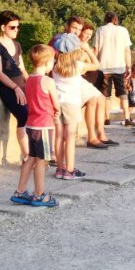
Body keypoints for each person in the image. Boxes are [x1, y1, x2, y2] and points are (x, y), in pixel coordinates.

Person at [10, 45, 59, 207]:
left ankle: (20, 191)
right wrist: (57, 111)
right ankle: (39, 194)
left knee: (30, 158)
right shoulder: (48, 81)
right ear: (47, 62)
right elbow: (56, 103)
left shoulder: (29, 79)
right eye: (52, 60)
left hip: (31, 124)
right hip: (44, 125)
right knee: (41, 161)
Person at [51, 33, 94, 179]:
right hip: (71, 104)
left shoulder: (54, 64)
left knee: (58, 137)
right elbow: (97, 65)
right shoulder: (78, 65)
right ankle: (69, 170)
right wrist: (87, 50)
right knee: (69, 137)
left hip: (56, 103)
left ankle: (60, 168)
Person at [0, 10, 29, 158]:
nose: (16, 30)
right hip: (6, 86)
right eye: (12, 27)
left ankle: (35, 155)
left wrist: (33, 84)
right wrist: (16, 88)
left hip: (20, 84)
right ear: (3, 27)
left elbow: (22, 69)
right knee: (24, 115)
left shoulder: (16, 45)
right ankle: (27, 156)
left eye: (18, 27)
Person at [78, 22, 115, 148]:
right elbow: (92, 64)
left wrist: (87, 50)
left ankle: (101, 134)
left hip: (88, 77)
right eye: (86, 33)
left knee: (101, 98)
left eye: (90, 35)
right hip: (80, 78)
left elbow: (92, 63)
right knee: (95, 98)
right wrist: (87, 52)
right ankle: (92, 137)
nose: (88, 36)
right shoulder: (75, 45)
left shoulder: (85, 46)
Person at [93, 11, 133, 125]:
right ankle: (126, 117)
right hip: (119, 66)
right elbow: (127, 50)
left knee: (106, 95)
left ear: (105, 19)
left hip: (103, 67)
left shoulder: (100, 30)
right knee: (122, 93)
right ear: (116, 19)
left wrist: (93, 65)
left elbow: (95, 50)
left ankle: (106, 118)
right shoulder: (123, 30)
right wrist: (129, 67)